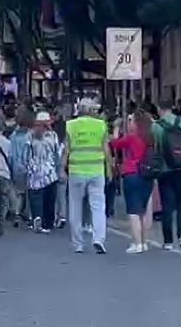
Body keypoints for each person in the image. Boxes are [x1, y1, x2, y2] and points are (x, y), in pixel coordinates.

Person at [64, 98, 110, 254]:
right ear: (92, 111)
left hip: (76, 170)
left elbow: (66, 150)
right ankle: (99, 239)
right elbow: (106, 150)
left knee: (75, 207)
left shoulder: (70, 125)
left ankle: (78, 243)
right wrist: (109, 169)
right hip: (96, 170)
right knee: (98, 207)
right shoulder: (101, 125)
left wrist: (61, 168)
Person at [152, 98, 181, 250]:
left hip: (165, 169)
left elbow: (154, 148)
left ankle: (168, 241)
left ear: (159, 109)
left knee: (167, 205)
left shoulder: (156, 127)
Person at [110, 111, 156, 253]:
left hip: (132, 173)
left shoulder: (132, 137)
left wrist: (116, 129)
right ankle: (144, 241)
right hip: (148, 174)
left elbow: (115, 143)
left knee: (133, 210)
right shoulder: (150, 138)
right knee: (142, 210)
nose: (129, 123)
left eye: (131, 120)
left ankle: (137, 243)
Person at [26, 111, 60, 234]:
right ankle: (47, 223)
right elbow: (57, 153)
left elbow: (27, 152)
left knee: (35, 196)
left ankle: (36, 217)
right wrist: (58, 168)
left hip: (34, 171)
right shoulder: (53, 136)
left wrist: (27, 166)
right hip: (50, 171)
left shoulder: (30, 135)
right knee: (49, 198)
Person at [8, 107, 34, 227]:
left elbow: (10, 154)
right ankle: (29, 215)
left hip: (15, 167)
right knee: (30, 193)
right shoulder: (30, 136)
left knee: (18, 192)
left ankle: (17, 213)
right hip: (27, 166)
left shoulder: (13, 135)